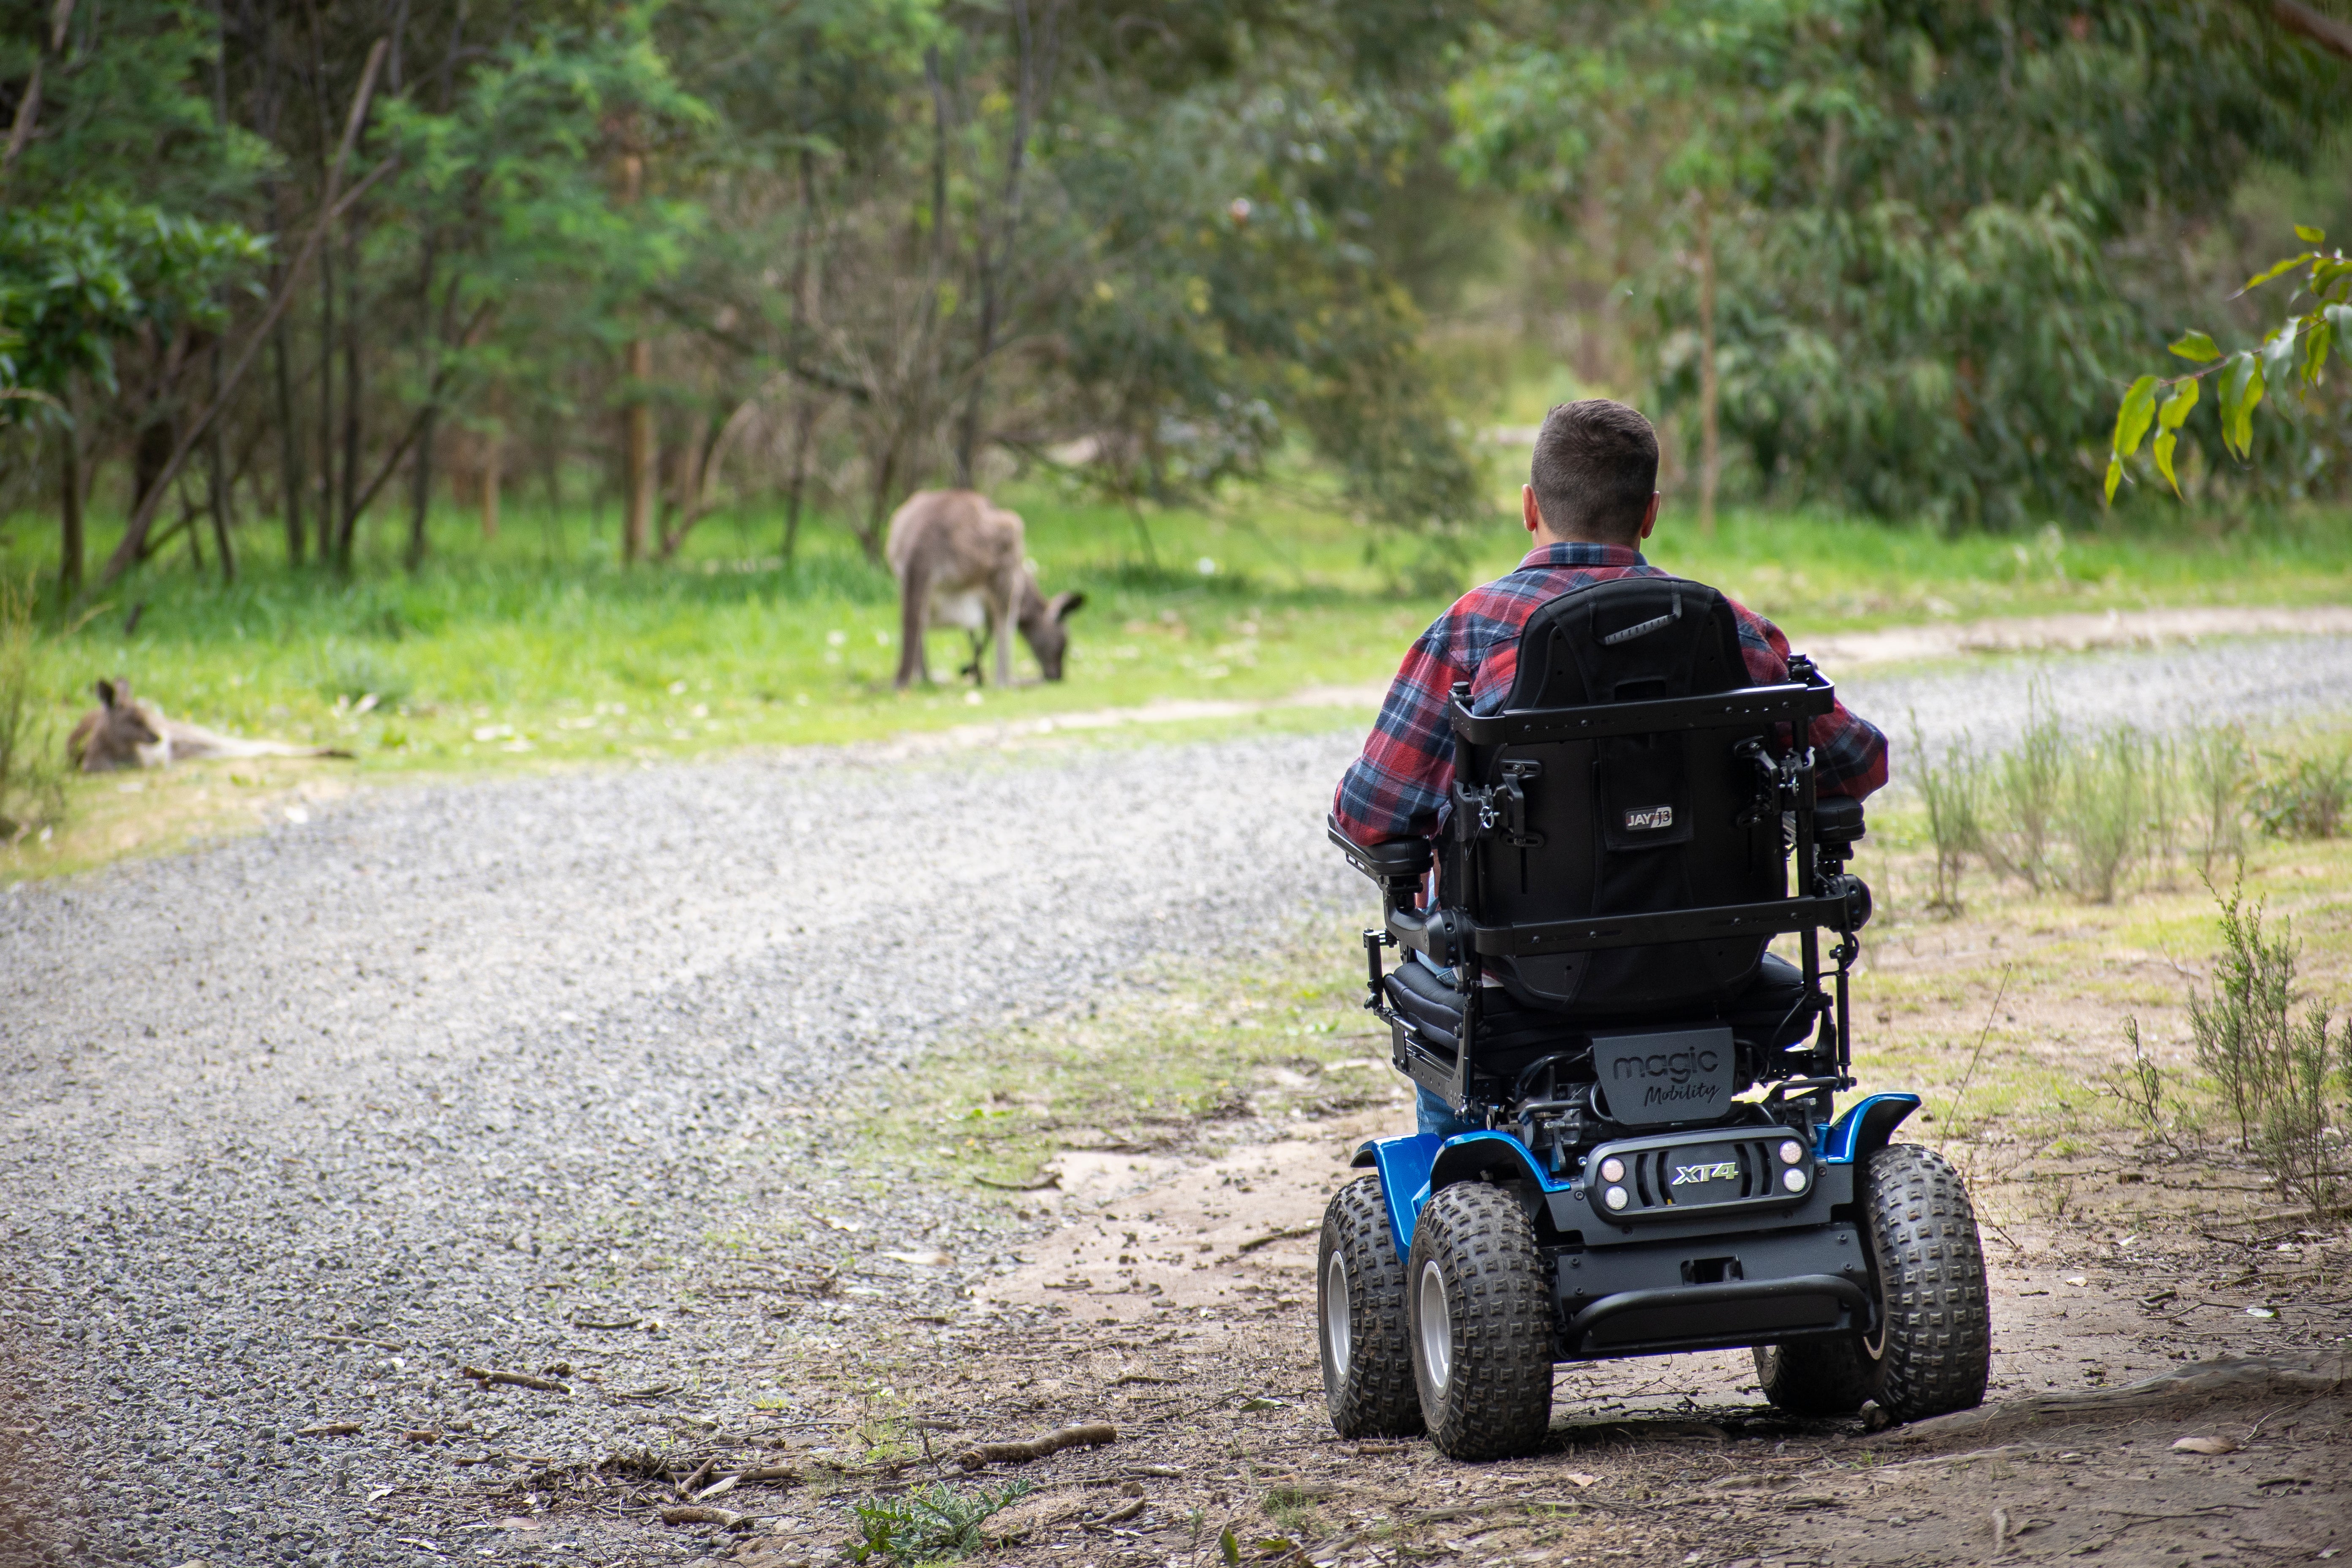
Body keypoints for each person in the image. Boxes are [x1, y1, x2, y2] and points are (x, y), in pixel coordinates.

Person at [1329, 397, 1888, 1139]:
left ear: (1530, 507)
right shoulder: (1732, 631)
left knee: (1440, 1017)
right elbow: (1857, 760)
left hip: (1523, 983)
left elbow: (1370, 815)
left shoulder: (1470, 631)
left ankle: (1451, 1183)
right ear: (1650, 513)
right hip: (1714, 967)